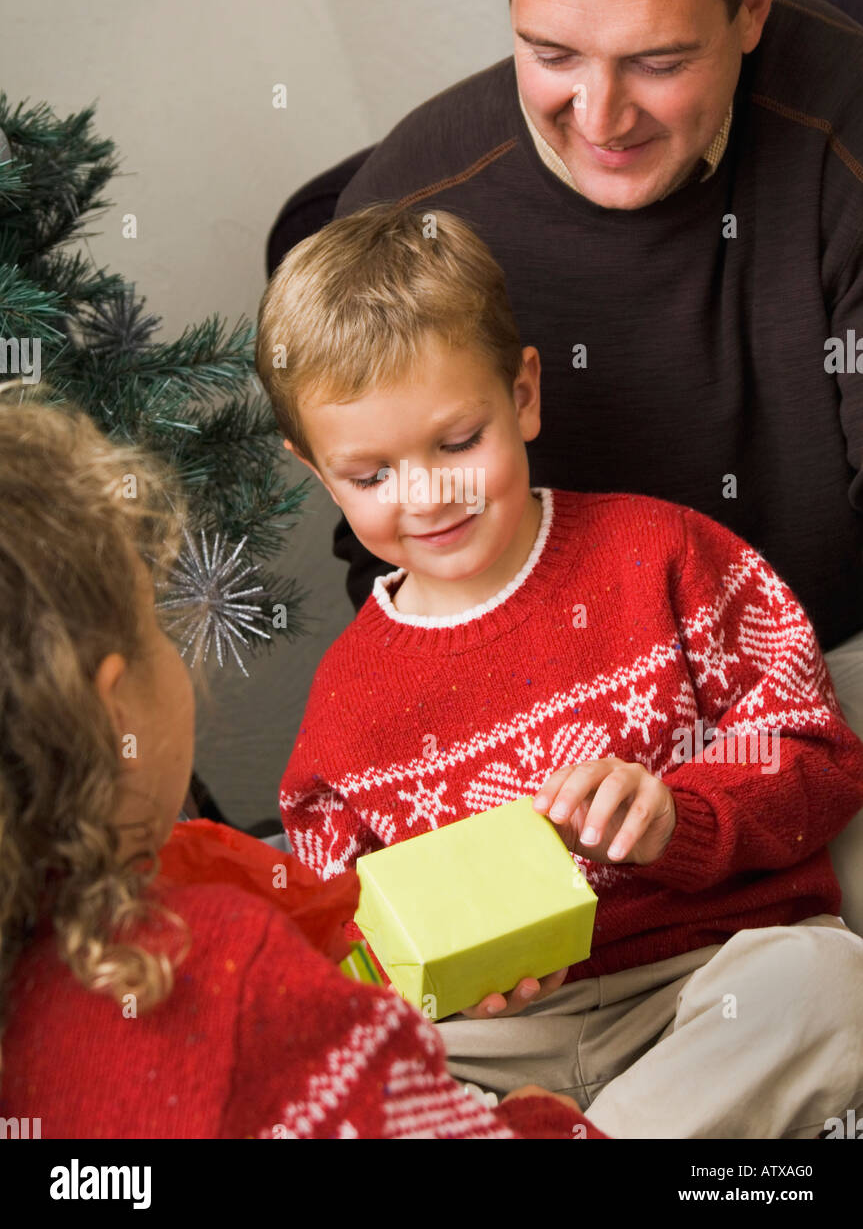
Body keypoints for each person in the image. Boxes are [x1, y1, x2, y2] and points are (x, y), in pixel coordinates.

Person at [256, 201, 863, 1139]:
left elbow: (818, 758)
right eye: (371, 476)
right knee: (322, 1083)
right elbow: (345, 931)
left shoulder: (661, 554)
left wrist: (681, 818)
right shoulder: (345, 702)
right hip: (501, 1043)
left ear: (524, 393)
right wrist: (435, 985)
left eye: (457, 442)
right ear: (317, 471)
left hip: (701, 979)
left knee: (827, 983)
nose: (427, 495)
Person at [325, 0, 863, 683]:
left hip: (838, 664)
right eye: (551, 54)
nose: (601, 120)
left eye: (658, 63)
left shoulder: (845, 141)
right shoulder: (405, 215)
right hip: (558, 712)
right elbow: (401, 584)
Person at [0, 393, 606, 1140]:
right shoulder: (222, 966)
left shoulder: (187, 883)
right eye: (153, 619)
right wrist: (547, 1121)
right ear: (108, 714)